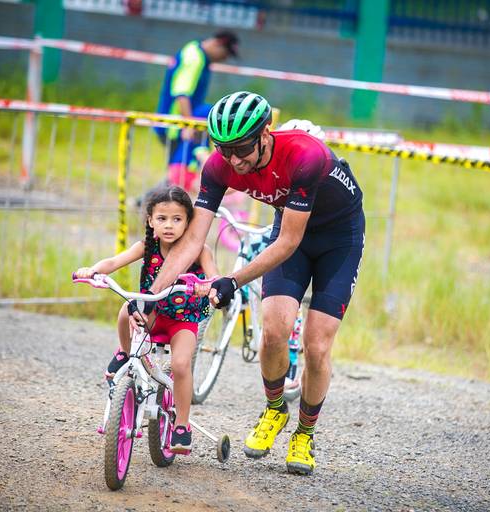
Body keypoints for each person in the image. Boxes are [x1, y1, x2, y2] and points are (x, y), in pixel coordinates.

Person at [148, 91, 365, 475]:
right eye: (224, 149)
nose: (234, 160)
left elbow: (289, 242)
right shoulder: (220, 166)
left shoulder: (306, 155)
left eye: (242, 149)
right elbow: (194, 239)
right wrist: (151, 296)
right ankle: (275, 410)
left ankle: (304, 434)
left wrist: (231, 280)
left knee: (316, 345)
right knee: (274, 332)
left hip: (337, 239)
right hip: (291, 231)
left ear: (266, 134)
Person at [74, 186, 218, 454]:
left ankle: (182, 425)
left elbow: (215, 279)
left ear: (189, 223)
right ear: (150, 221)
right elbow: (114, 262)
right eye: (162, 218)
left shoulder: (200, 251)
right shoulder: (147, 246)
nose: (169, 225)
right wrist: (93, 270)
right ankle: (124, 352)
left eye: (177, 219)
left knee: (181, 364)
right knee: (125, 309)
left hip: (183, 320)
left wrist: (207, 286)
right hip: (152, 314)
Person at [155, 30, 239, 193]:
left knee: (176, 172)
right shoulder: (195, 58)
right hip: (176, 124)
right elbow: (182, 93)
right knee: (177, 173)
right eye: (225, 54)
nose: (224, 59)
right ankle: (148, 201)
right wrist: (189, 125)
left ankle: (144, 201)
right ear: (218, 43)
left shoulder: (196, 52)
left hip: (179, 121)